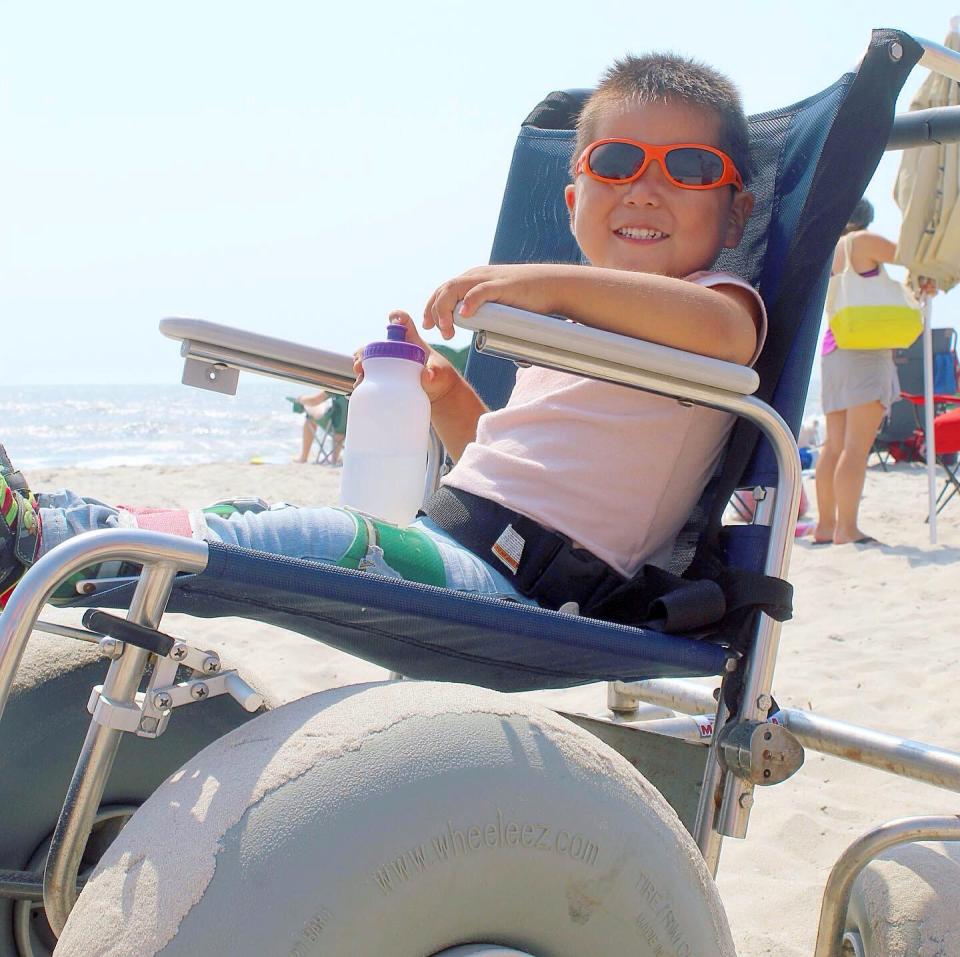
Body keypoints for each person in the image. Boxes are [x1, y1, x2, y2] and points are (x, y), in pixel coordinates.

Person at [0, 53, 765, 618]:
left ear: (735, 214)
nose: (647, 187)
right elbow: (494, 463)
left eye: (692, 168)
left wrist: (545, 282)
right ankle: (58, 522)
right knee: (247, 519)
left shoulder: (714, 304)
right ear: (574, 200)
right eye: (618, 161)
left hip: (531, 592)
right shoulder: (576, 329)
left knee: (314, 540)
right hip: (463, 536)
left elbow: (727, 336)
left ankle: (45, 546)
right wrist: (440, 391)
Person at [812, 199, 933, 546]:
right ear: (865, 217)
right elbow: (912, 255)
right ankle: (847, 529)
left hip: (834, 351)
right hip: (864, 354)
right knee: (855, 448)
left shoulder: (830, 249)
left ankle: (826, 526)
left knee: (833, 448)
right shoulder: (861, 241)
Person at [293, 391, 347, 465]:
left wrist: (300, 399)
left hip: (338, 424)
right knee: (342, 420)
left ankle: (303, 457)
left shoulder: (342, 381)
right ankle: (335, 458)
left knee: (310, 416)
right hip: (356, 428)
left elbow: (314, 401)